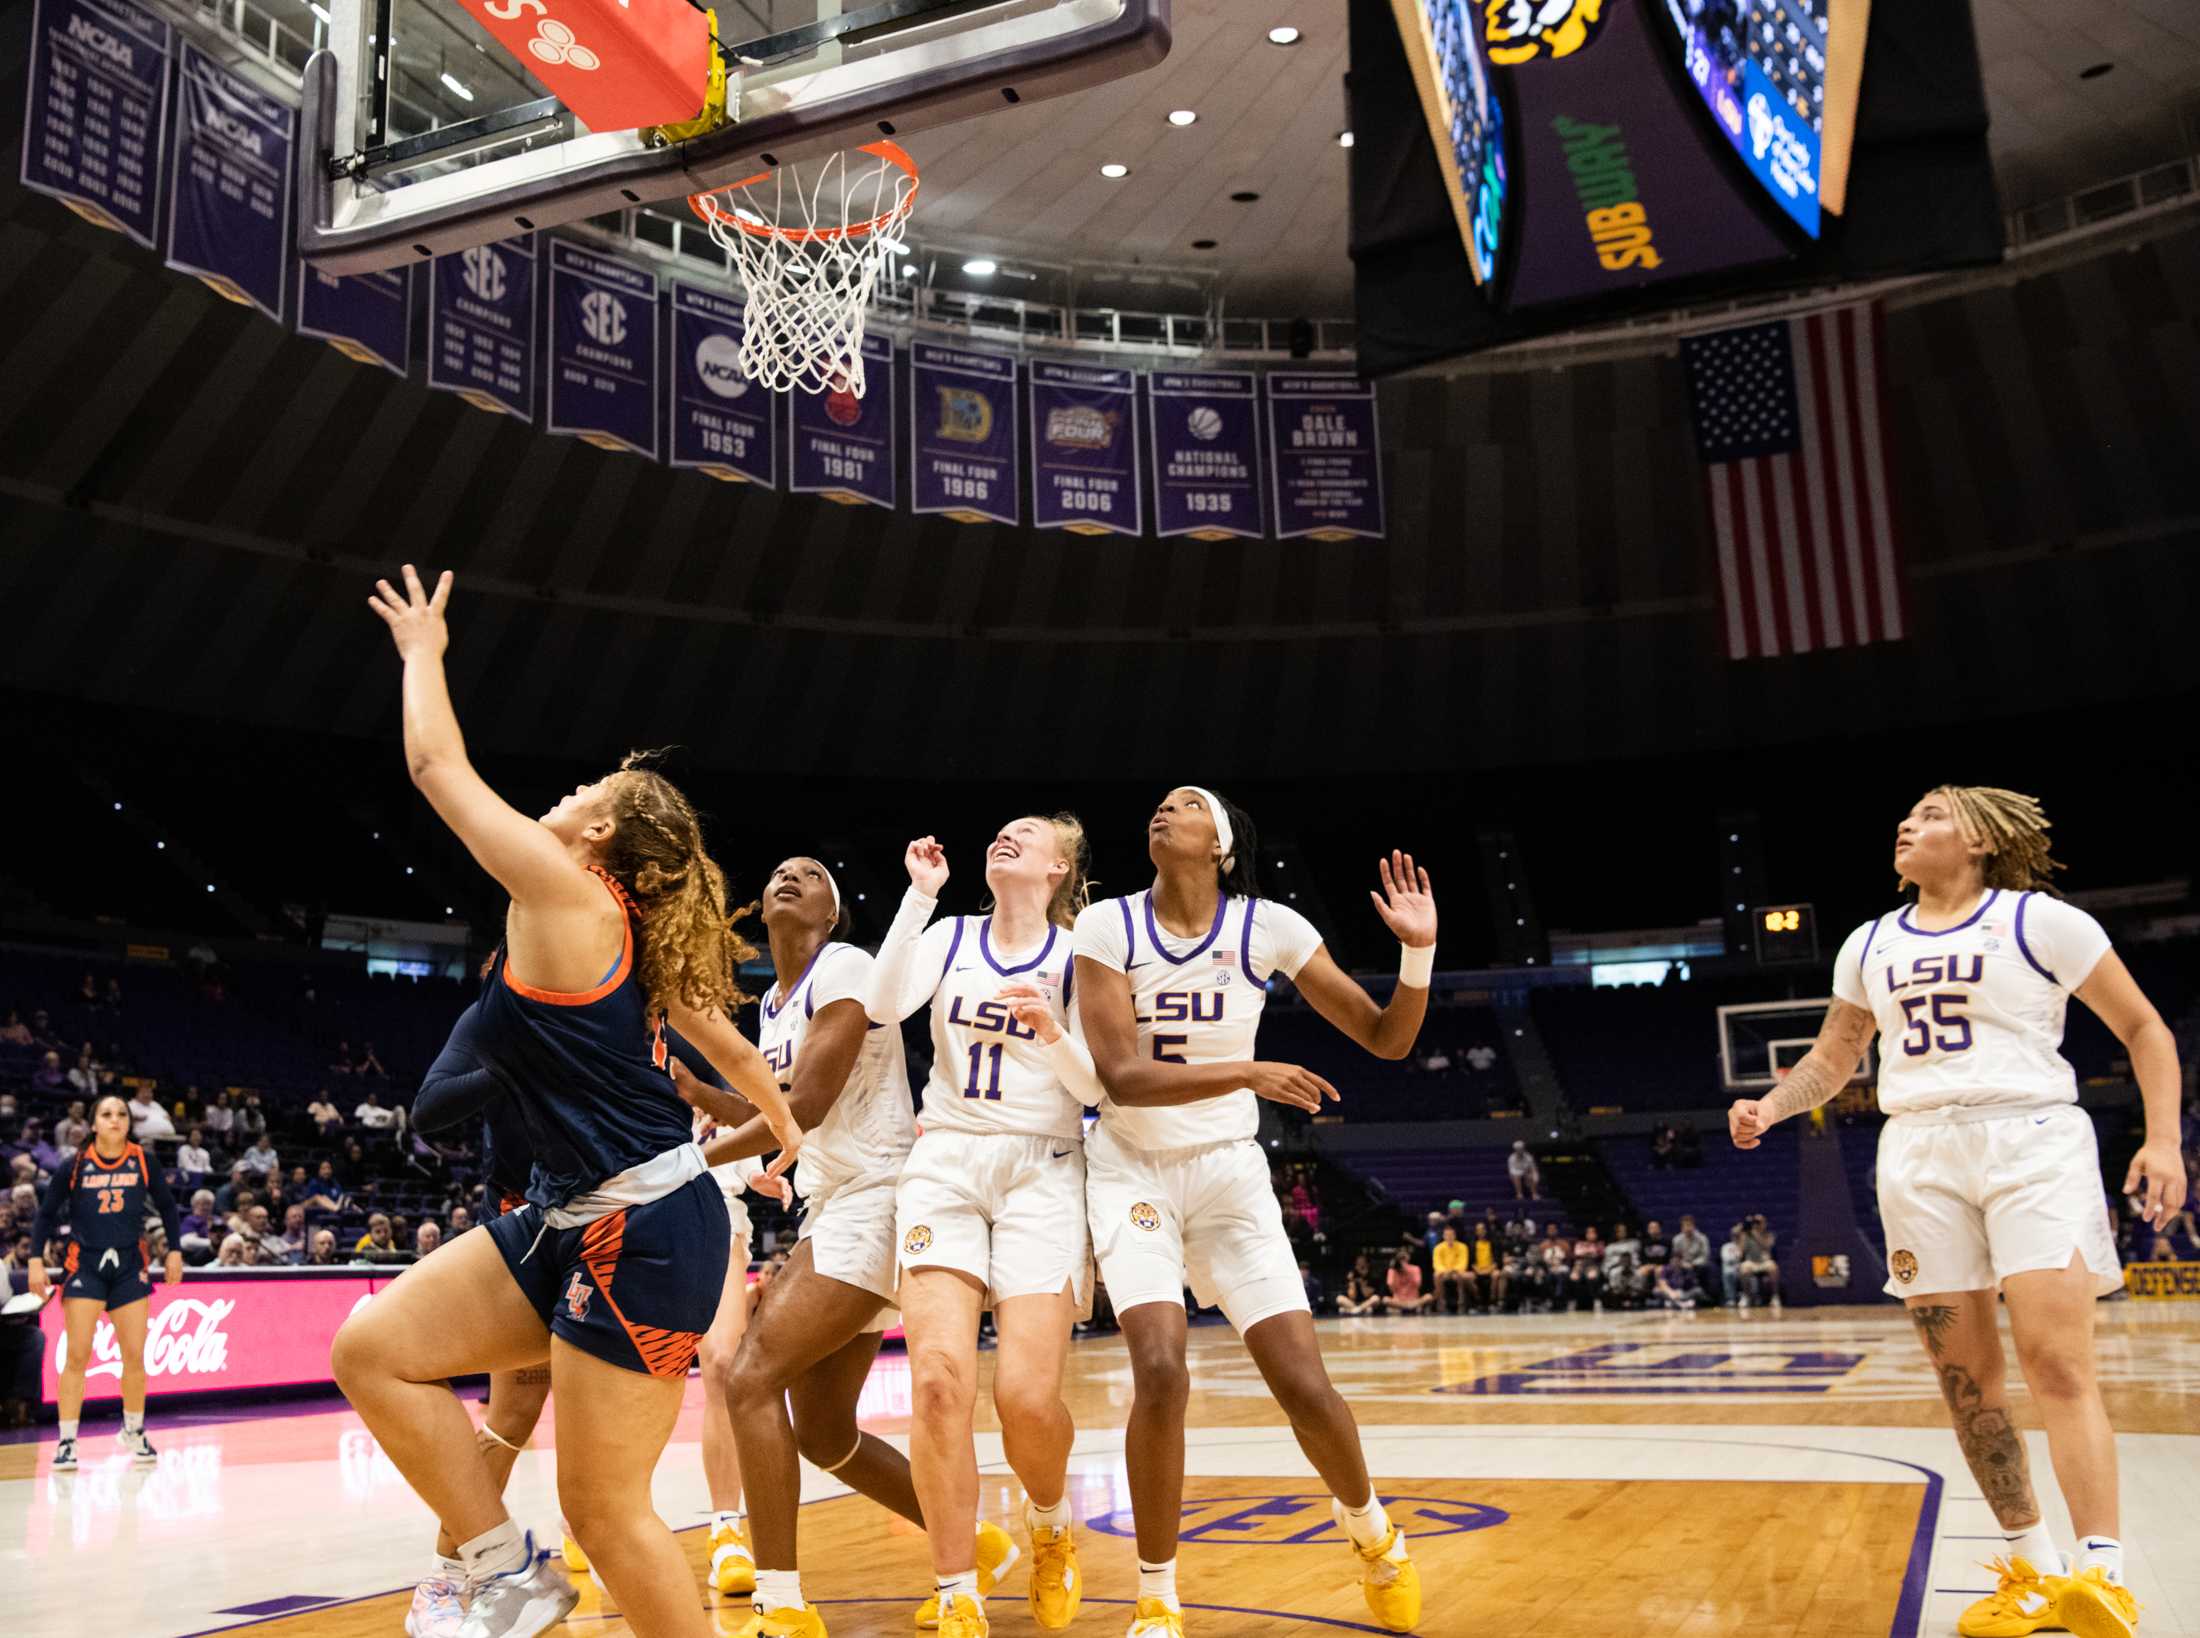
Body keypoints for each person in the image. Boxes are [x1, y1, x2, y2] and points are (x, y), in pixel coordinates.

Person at [330, 565, 801, 1638]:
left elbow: (433, 763)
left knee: (603, 1506)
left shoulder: (566, 894)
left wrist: (421, 654)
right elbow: (715, 1026)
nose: (559, 799)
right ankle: (503, 1568)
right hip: (565, 1211)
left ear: (599, 838)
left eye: (579, 794)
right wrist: (781, 1117)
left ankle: (518, 1572)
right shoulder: (613, 927)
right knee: (371, 1352)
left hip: (644, 1226)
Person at [1728, 785, 2188, 1638]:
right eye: (1905, 814)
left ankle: (2103, 1575)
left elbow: (2144, 1028)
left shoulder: (2041, 922)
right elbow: (1833, 1061)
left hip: (2032, 1139)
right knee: (1965, 1381)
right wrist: (1771, 1105)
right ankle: (2033, 1568)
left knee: (2056, 1364)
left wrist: (2163, 1140)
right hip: (1918, 1153)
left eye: (1933, 814)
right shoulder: (1868, 943)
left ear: (1980, 840)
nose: (1909, 823)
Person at [1074, 788, 1433, 1636]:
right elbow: (1121, 1077)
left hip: (1228, 1176)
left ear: (1222, 845)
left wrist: (1416, 955)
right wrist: (1246, 1072)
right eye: (1160, 805)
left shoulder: (1268, 927)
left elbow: (1387, 1038)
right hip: (1131, 1167)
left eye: (1187, 806)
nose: (1163, 811)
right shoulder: (1106, 928)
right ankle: (1157, 1596)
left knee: (1303, 1385)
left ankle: (1375, 1535)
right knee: (1160, 1372)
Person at [675, 853, 944, 1638]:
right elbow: (772, 1106)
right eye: (779, 873)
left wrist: (691, 1160)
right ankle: (977, 1544)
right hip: (834, 1207)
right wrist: (701, 1100)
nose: (790, 877)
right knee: (826, 1432)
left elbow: (810, 1105)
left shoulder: (847, 966)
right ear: (761, 906)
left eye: (813, 874)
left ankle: (782, 1603)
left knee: (749, 1378)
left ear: (831, 913)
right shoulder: (770, 1005)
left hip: (879, 1198)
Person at [862, 819, 1101, 1638]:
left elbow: (1102, 1084)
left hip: (1044, 1164)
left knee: (1025, 1397)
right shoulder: (954, 933)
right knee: (935, 1384)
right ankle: (957, 1584)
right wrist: (916, 898)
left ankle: (1050, 1520)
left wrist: (1053, 1032)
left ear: (1058, 865)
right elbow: (883, 1006)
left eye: (1025, 836)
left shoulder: (1080, 952)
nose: (1005, 839)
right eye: (1000, 833)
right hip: (948, 1158)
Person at [28, 1093, 183, 1469]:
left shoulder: (143, 1161)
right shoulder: (76, 1163)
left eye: (121, 1114)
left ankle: (133, 1430)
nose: (115, 1119)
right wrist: (35, 1259)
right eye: (107, 1114)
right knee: (78, 1355)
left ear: (129, 1123)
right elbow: (46, 1214)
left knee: (134, 1356)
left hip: (130, 1265)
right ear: (94, 1124)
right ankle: (67, 1441)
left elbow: (166, 1206)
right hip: (85, 1265)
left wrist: (174, 1250)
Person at [1734, 1215, 1780, 1309]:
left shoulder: (1769, 1235)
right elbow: (1741, 1252)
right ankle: (1746, 1296)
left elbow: (1767, 1246)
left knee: (1773, 1267)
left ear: (1764, 1224)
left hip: (1764, 1262)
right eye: (1755, 1222)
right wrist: (1740, 1234)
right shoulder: (1746, 1235)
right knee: (1744, 1267)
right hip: (1751, 1262)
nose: (1757, 1225)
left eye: (1759, 1222)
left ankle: (1774, 1296)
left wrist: (1756, 1235)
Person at [1431, 1227, 1469, 1315]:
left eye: (1451, 1235)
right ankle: (1441, 1301)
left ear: (1455, 1236)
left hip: (1456, 1272)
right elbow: (1437, 1263)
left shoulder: (1463, 1246)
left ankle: (1461, 1301)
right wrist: (1445, 1271)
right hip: (1444, 1272)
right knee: (1436, 1275)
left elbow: (1463, 1262)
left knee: (1459, 1276)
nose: (1449, 1237)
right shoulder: (1438, 1248)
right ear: (1443, 1236)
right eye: (1447, 1235)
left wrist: (1453, 1270)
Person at [1672, 1215, 1712, 1297]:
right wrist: (1682, 1263)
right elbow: (1675, 1256)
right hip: (1682, 1265)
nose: (1687, 1228)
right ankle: (1678, 1293)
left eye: (1689, 1225)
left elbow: (1705, 1256)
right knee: (1673, 1267)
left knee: (1706, 1267)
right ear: (1682, 1227)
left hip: (1698, 1265)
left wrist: (1693, 1264)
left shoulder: (1702, 1238)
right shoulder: (1677, 1239)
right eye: (1685, 1226)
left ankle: (1705, 1295)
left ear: (1693, 1226)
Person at [1385, 1251, 1433, 1315]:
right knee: (1385, 1300)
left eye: (1403, 1258)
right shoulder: (1392, 1270)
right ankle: (1408, 1308)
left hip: (1413, 1301)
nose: (1402, 1261)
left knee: (1428, 1297)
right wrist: (1394, 1272)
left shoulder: (1415, 1268)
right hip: (1398, 1302)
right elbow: (1392, 1289)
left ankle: (1408, 1308)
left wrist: (1407, 1271)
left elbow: (1418, 1285)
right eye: (1400, 1259)